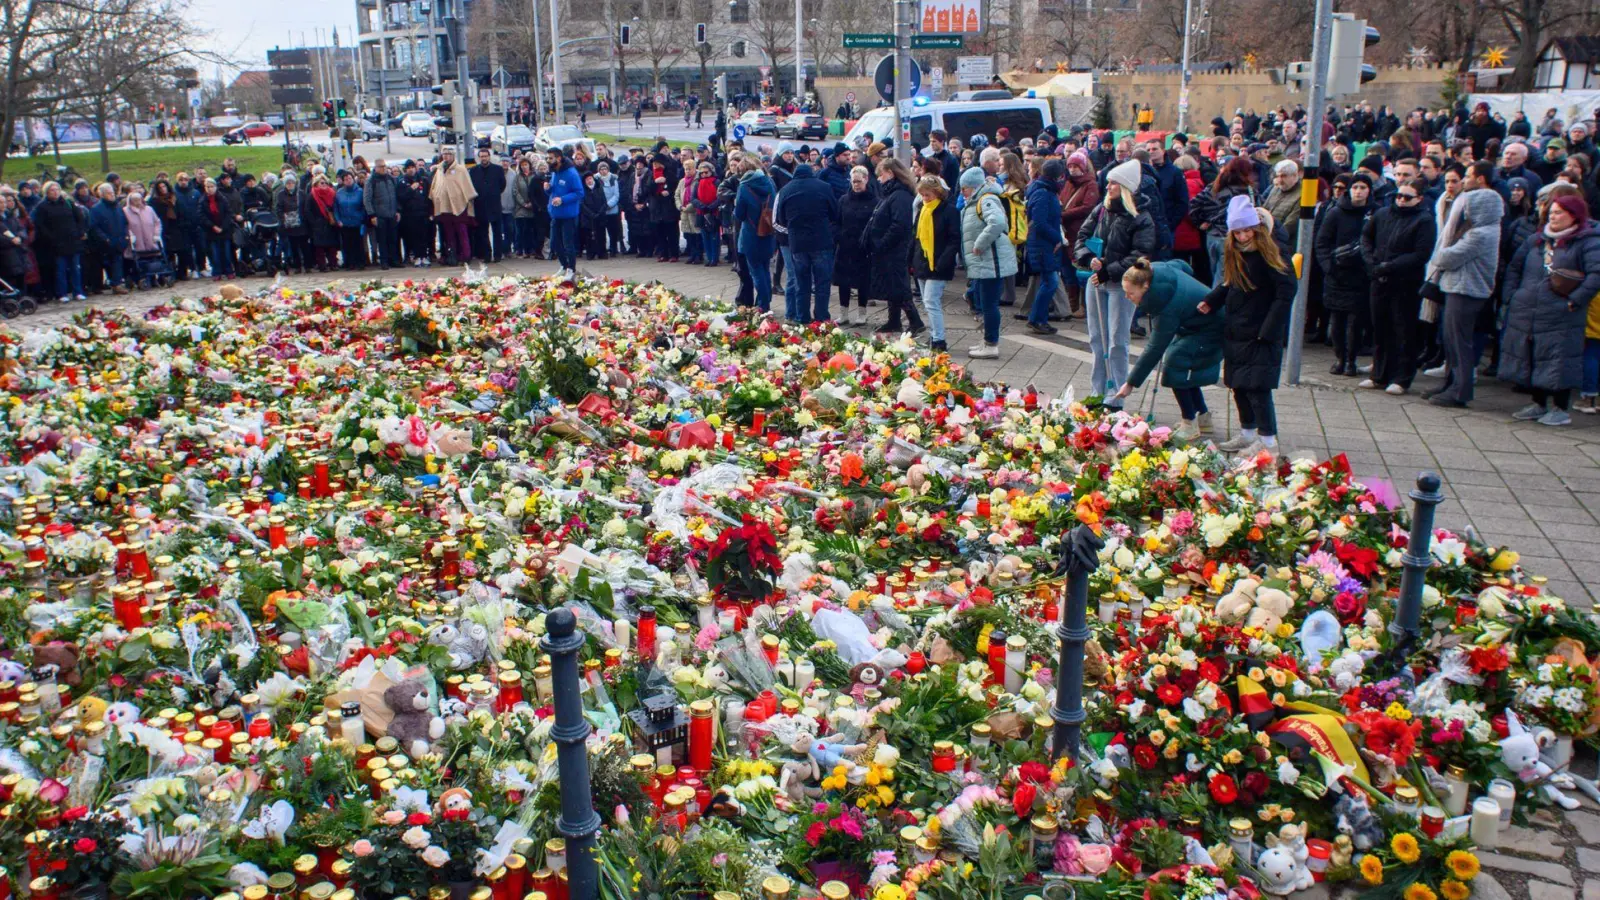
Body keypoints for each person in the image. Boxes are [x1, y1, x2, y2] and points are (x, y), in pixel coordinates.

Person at [1499, 194, 1600, 425]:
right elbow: (1515, 267)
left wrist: (1575, 300)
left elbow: (1596, 275)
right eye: (1551, 212)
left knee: (1559, 359)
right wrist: (1512, 296)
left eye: (1559, 212)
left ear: (1573, 216)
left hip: (1562, 312)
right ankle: (1538, 403)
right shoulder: (1536, 240)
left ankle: (1560, 408)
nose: (1553, 216)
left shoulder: (1587, 241)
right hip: (1528, 310)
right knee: (1533, 355)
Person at [1208, 198, 1296, 457]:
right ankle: (1247, 433)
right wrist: (1212, 301)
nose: (1243, 236)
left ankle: (1268, 441)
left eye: (1247, 231)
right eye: (1237, 232)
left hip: (1260, 331)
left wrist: (1269, 329)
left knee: (1258, 388)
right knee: (1238, 385)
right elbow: (1229, 283)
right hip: (1238, 328)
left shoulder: (1272, 253)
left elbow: (1286, 292)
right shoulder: (1236, 252)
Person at [1073, 159, 1157, 407]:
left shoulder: (1141, 217)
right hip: (1096, 280)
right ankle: (1098, 390)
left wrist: (1109, 270)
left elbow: (1140, 254)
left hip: (1122, 285)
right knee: (1097, 339)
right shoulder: (1102, 209)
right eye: (1108, 182)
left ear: (1126, 188)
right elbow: (1082, 237)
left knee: (1118, 341)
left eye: (1113, 183)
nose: (1107, 187)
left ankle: (1116, 395)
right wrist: (1089, 259)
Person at [1112, 258, 1224, 440]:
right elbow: (1183, 265)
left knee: (1175, 363)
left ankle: (1189, 422)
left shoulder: (1165, 306)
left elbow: (1155, 348)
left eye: (1130, 293)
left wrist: (1131, 383)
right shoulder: (1156, 270)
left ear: (1145, 287)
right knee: (1186, 367)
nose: (1127, 297)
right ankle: (1203, 418)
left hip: (1213, 329)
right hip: (1199, 324)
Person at [1423, 187, 1504, 408]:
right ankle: (1451, 384)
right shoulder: (1485, 230)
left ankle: (1460, 391)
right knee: (1451, 342)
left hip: (1465, 291)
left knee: (1459, 343)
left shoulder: (1480, 234)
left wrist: (1442, 249)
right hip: (1459, 289)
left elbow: (1445, 257)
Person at [1359, 180, 1436, 394]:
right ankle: (1379, 374)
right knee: (1380, 328)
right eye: (1399, 196)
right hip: (1378, 279)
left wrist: (1390, 266)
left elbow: (1421, 253)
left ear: (1419, 199)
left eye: (1407, 197)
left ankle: (1401, 378)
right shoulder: (1383, 214)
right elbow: (1366, 236)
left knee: (1404, 330)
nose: (1401, 200)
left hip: (1405, 283)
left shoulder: (1424, 220)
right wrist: (1371, 261)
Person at [1316, 172, 1374, 376]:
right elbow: (1322, 242)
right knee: (1337, 323)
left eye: (1363, 188)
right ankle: (1340, 358)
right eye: (1355, 187)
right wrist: (1329, 267)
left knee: (1356, 323)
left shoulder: (1373, 213)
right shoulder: (1336, 213)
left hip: (1360, 277)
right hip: (1337, 275)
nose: (1358, 191)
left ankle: (1351, 360)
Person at [960, 165, 1015, 359]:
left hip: (991, 260)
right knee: (985, 302)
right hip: (986, 261)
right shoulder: (981, 199)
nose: (962, 192)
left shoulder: (986, 199)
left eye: (964, 188)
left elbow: (998, 223)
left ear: (972, 186)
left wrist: (979, 244)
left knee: (989, 304)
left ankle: (992, 343)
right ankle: (987, 340)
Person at [775, 162, 840, 324]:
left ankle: (802, 317)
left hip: (797, 244)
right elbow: (835, 213)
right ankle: (821, 317)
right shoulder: (824, 187)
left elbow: (781, 219)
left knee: (801, 282)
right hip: (821, 241)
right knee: (822, 282)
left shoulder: (786, 189)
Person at [865, 158, 919, 336]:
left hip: (895, 250)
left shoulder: (900, 195)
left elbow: (899, 225)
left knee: (899, 285)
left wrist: (882, 243)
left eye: (881, 175)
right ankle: (894, 320)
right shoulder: (893, 193)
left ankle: (915, 320)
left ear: (891, 173)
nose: (879, 180)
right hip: (889, 249)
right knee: (891, 285)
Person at [1189, 157, 1258, 287]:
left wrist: (1200, 223)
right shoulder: (1247, 191)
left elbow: (1193, 205)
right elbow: (1258, 210)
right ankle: (1215, 305)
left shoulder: (1214, 187)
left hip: (1212, 236)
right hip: (1231, 237)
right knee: (1223, 278)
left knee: (1215, 272)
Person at [909, 174, 959, 353]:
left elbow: (954, 240)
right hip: (922, 262)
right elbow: (915, 237)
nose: (924, 198)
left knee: (931, 301)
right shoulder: (923, 209)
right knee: (927, 301)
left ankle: (939, 339)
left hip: (938, 264)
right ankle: (935, 335)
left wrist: (942, 262)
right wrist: (911, 261)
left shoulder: (949, 211)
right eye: (922, 195)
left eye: (927, 195)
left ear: (937, 193)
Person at [1023, 158, 1065, 335]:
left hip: (1043, 243)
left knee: (1048, 282)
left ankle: (1037, 318)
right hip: (1042, 244)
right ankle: (1037, 319)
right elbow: (1039, 222)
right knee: (1050, 282)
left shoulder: (1043, 189)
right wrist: (1057, 238)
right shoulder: (1043, 192)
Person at [1059, 150, 1100, 319]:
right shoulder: (1068, 183)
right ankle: (1072, 304)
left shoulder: (1090, 184)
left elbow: (1087, 207)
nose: (1072, 169)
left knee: (1080, 267)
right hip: (1067, 231)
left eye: (1076, 166)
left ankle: (1083, 305)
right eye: (1070, 165)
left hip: (1079, 231)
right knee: (1067, 269)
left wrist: (1064, 214)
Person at [834, 165, 876, 326]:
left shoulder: (874, 201)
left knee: (862, 281)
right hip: (845, 245)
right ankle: (843, 313)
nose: (856, 185)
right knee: (843, 281)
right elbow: (836, 221)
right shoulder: (844, 200)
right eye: (853, 182)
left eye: (859, 181)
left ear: (866, 179)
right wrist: (837, 237)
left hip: (863, 248)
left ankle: (862, 312)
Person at [734, 155, 777, 311]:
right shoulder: (770, 182)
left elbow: (738, 214)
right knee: (765, 268)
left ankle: (763, 305)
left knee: (756, 271)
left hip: (751, 234)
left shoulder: (744, 187)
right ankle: (766, 301)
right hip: (768, 231)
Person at [32, 181, 86, 302]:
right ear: (47, 192)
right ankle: (62, 293)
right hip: (56, 244)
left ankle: (78, 291)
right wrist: (51, 238)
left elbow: (79, 218)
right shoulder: (42, 207)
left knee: (75, 268)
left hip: (72, 241)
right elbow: (40, 226)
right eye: (52, 190)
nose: (55, 192)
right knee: (60, 270)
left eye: (57, 189)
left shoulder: (68, 203)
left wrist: (79, 232)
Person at [430, 149, 477, 266]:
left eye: (449, 154)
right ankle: (452, 256)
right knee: (448, 234)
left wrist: (466, 202)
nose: (446, 157)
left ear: (453, 156)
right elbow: (435, 187)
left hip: (459, 207)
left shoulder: (460, 170)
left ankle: (465, 256)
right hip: (444, 207)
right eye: (444, 154)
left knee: (462, 232)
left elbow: (468, 188)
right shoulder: (439, 170)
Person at [545, 147, 584, 278]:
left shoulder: (571, 173)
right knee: (554, 243)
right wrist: (548, 189)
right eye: (547, 158)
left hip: (568, 214)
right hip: (555, 214)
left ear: (559, 158)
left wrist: (562, 199)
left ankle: (571, 269)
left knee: (568, 244)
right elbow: (554, 191)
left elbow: (579, 193)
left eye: (550, 158)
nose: (548, 160)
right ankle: (564, 265)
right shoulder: (555, 171)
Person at [87, 182, 130, 295]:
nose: (111, 195)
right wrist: (105, 238)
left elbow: (125, 222)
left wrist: (126, 235)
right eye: (108, 193)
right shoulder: (96, 209)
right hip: (105, 242)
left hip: (119, 239)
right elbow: (94, 227)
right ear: (102, 195)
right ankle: (111, 283)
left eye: (112, 193)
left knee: (117, 261)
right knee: (108, 263)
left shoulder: (117, 207)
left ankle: (116, 283)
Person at [200, 178, 236, 280]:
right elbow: (202, 216)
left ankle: (229, 270)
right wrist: (212, 226)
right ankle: (217, 272)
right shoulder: (203, 201)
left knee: (227, 252)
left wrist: (223, 227)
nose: (210, 189)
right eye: (208, 187)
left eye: (212, 187)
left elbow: (228, 213)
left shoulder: (222, 198)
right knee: (214, 254)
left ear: (216, 187)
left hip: (224, 230)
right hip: (211, 231)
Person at [690, 160, 722, 267]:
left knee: (714, 236)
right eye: (702, 173)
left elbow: (720, 197)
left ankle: (714, 258)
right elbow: (693, 198)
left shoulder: (716, 182)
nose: (704, 175)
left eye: (706, 172)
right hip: (701, 212)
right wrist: (701, 206)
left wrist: (711, 206)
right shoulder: (697, 183)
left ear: (711, 172)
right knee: (705, 236)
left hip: (713, 212)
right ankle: (709, 257)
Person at [511, 158, 540, 258]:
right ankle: (519, 249)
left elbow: (537, 191)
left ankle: (531, 249)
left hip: (533, 207)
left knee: (531, 230)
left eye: (526, 164)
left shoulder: (534, 176)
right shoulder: (517, 177)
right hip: (521, 208)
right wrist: (523, 203)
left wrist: (532, 203)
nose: (524, 167)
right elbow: (515, 191)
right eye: (522, 165)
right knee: (520, 230)